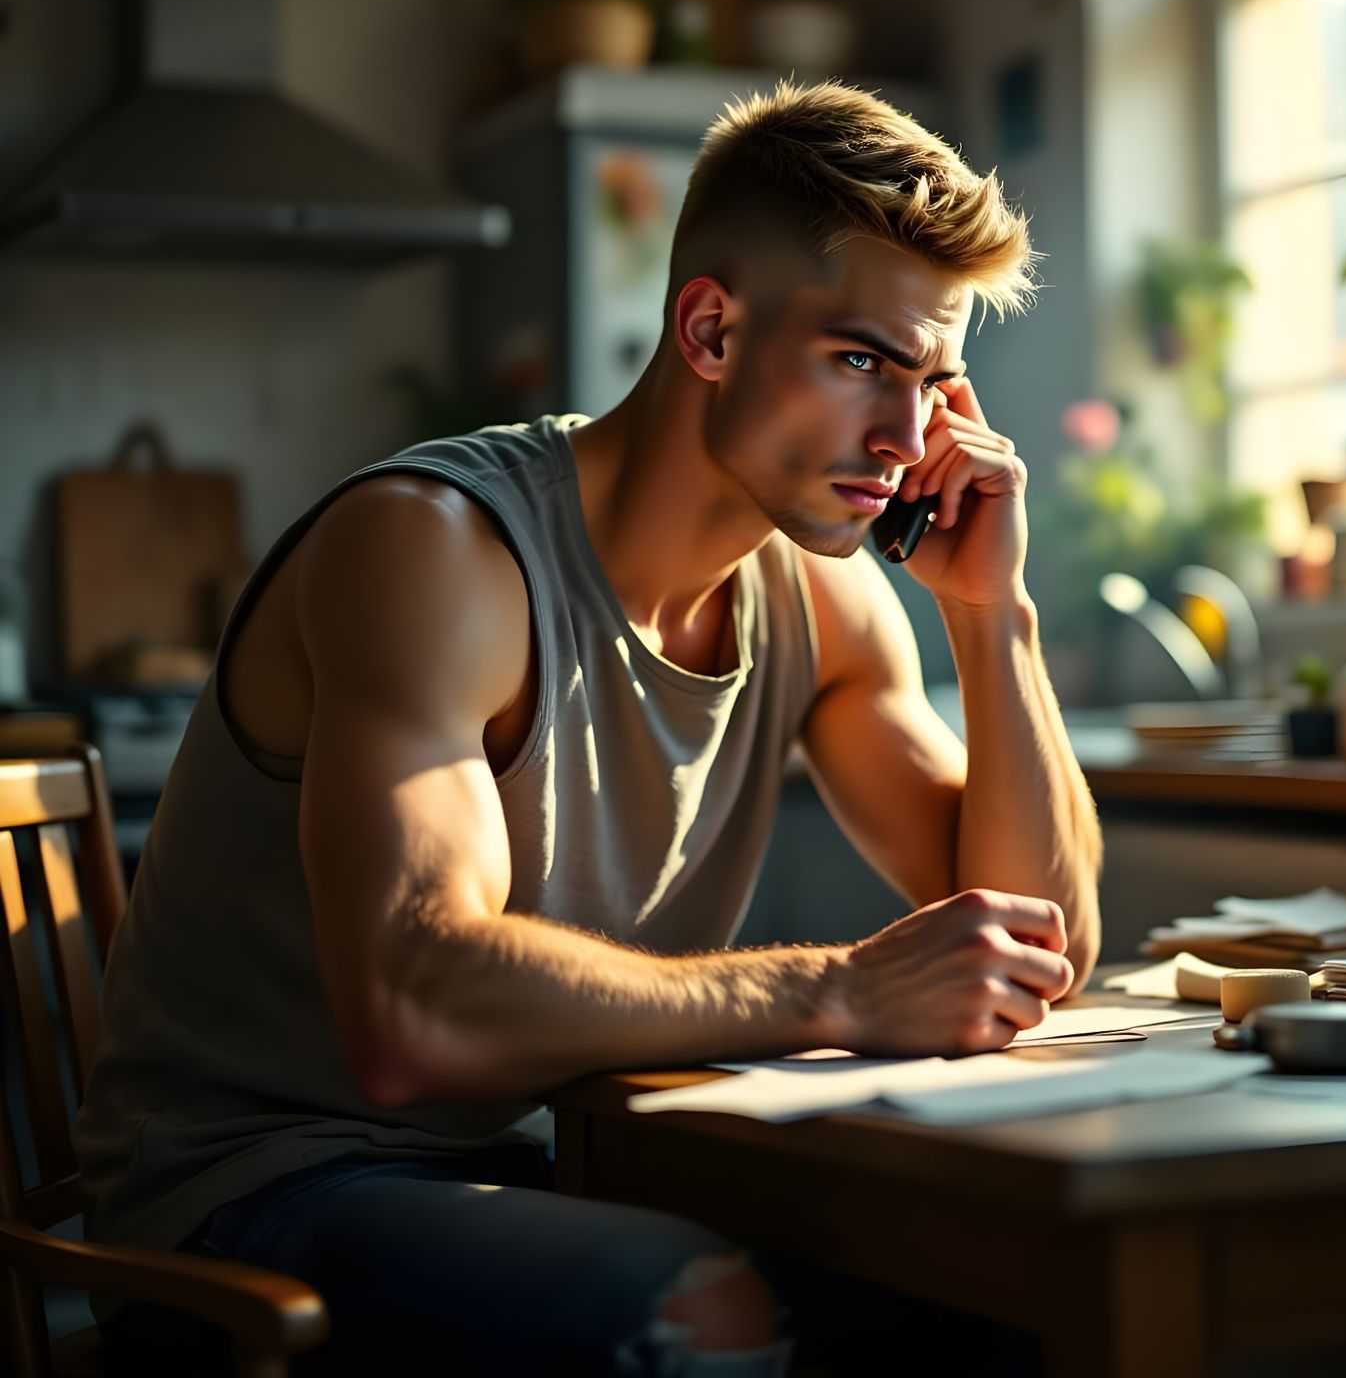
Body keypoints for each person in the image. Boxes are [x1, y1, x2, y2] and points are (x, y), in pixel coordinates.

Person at [75, 80, 1103, 1375]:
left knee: (1000, 1289)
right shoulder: (437, 550)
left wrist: (990, 614)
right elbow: (410, 1012)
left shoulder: (826, 599)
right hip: (245, 1209)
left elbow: (1029, 945)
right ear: (712, 330)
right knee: (702, 1308)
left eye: (937, 381)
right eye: (862, 361)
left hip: (538, 1165)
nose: (907, 438)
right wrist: (837, 988)